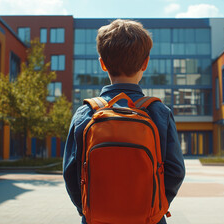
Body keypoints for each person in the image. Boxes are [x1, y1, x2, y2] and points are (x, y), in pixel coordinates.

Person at [63, 19, 185, 224]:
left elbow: (70, 172)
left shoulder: (85, 113)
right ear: (145, 63)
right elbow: (175, 170)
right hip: (149, 218)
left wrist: (86, 209)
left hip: (97, 218)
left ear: (102, 63)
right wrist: (155, 206)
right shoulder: (159, 112)